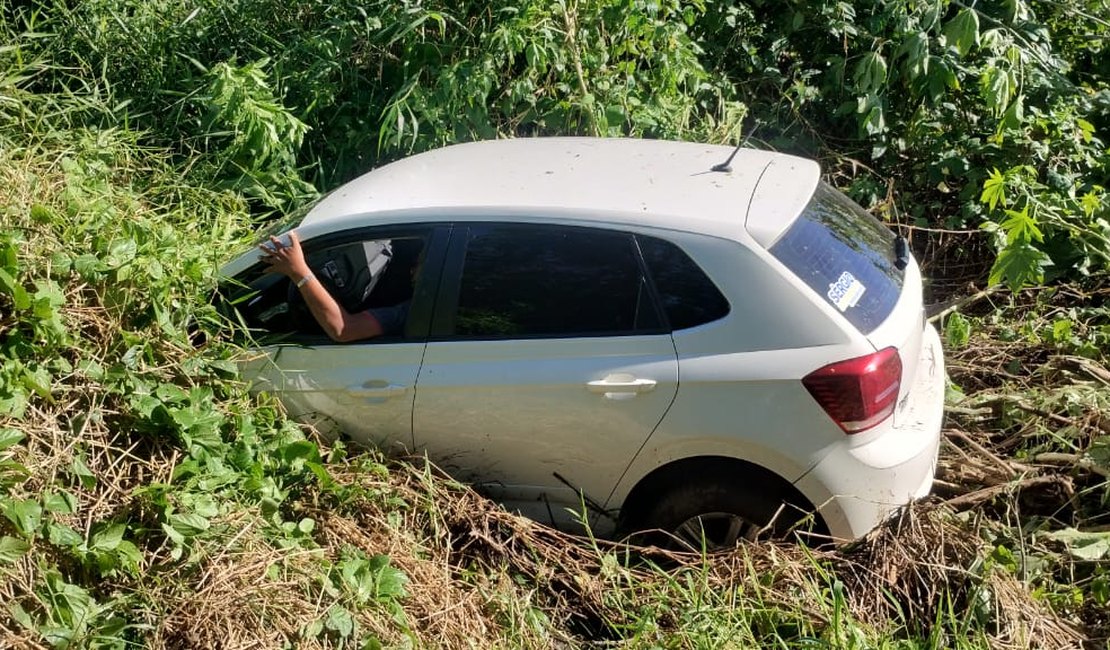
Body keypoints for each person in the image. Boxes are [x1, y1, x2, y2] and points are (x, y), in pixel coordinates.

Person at [259, 231, 408, 342]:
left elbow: (344, 330)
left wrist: (298, 271)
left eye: (419, 264)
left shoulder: (413, 311)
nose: (412, 269)